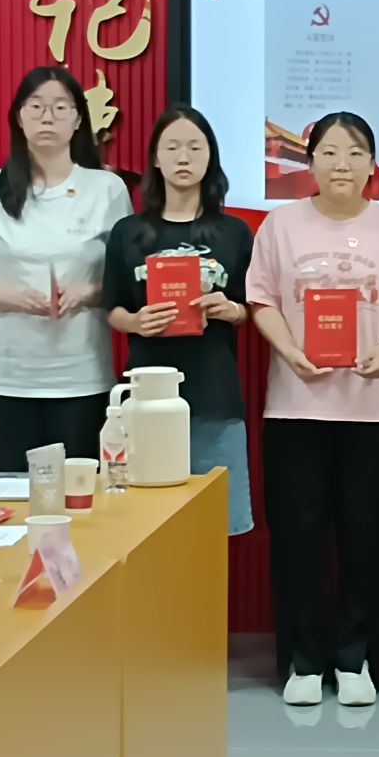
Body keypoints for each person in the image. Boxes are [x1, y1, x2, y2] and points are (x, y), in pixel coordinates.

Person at [246, 111, 379, 708]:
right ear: (310, 161)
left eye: (355, 152)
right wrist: (288, 351)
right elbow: (261, 299)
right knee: (298, 537)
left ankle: (356, 658)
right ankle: (303, 658)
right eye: (329, 152)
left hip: (372, 409)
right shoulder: (280, 224)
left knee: (365, 539)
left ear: (372, 164)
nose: (342, 163)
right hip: (296, 406)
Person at [0, 66, 131, 469]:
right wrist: (20, 297)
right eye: (36, 106)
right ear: (19, 116)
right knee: (17, 491)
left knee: (80, 489)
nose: (48, 117)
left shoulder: (107, 189)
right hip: (8, 376)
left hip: (82, 375)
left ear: (78, 119)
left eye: (61, 107)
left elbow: (125, 279)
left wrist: (86, 293)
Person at [103, 104, 254, 536]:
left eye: (194, 147)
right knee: (145, 527)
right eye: (171, 147)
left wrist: (231, 310)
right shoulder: (128, 232)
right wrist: (136, 322)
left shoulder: (234, 232)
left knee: (213, 529)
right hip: (145, 399)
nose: (183, 157)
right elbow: (112, 308)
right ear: (156, 157)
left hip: (214, 396)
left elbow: (251, 306)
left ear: (210, 157)